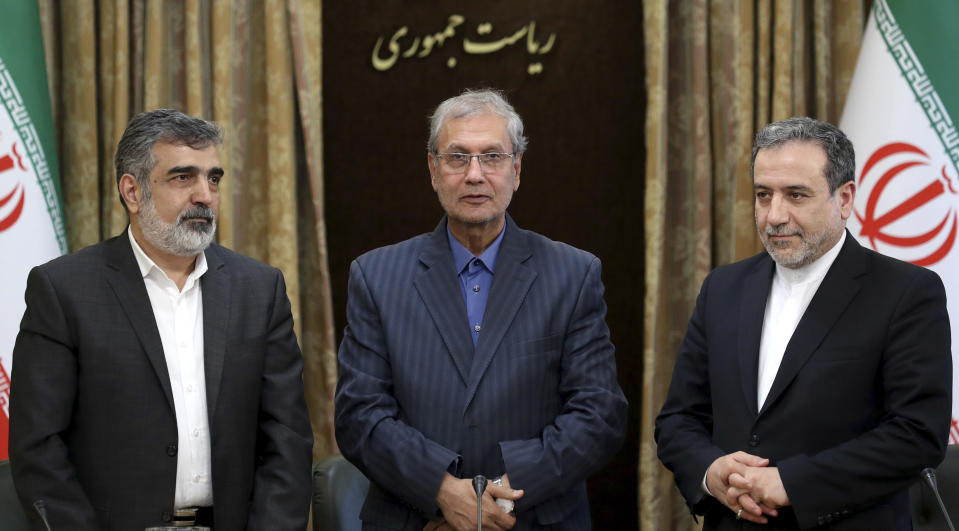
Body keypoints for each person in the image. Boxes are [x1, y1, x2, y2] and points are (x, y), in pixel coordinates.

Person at [334, 88, 627, 530]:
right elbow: (360, 415)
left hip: (532, 518)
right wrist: (441, 488)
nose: (475, 174)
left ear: (517, 169)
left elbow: (599, 415)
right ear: (433, 170)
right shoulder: (377, 276)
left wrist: (502, 497)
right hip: (417, 521)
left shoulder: (573, 274)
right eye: (457, 157)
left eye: (492, 156)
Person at [9, 109, 313, 530]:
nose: (205, 195)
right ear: (132, 192)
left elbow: (288, 439)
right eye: (183, 178)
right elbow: (38, 448)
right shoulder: (64, 291)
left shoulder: (259, 290)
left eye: (213, 178)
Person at [655, 117, 953, 530]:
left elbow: (916, 435)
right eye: (763, 195)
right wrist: (712, 472)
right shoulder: (723, 288)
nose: (774, 215)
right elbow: (678, 420)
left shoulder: (906, 293)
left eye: (796, 195)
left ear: (844, 199)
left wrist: (791, 483)